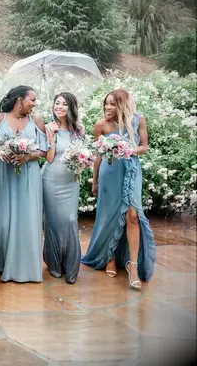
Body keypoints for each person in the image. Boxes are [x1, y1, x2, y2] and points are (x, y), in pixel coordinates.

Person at [81, 89, 156, 289]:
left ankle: (133, 265)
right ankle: (109, 257)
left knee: (133, 216)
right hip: (109, 173)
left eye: (113, 104)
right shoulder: (101, 125)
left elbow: (144, 146)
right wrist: (94, 181)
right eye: (106, 103)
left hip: (131, 170)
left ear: (122, 104)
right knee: (109, 216)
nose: (108, 107)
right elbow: (98, 156)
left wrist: (128, 150)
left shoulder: (138, 119)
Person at [0, 85, 48, 283]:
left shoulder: (37, 121)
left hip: (28, 176)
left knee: (27, 218)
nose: (34, 103)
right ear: (19, 100)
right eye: (32, 99)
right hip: (4, 174)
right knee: (2, 218)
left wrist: (28, 156)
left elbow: (44, 151)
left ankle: (25, 268)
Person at [42, 92, 84, 284]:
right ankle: (54, 263)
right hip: (51, 180)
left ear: (71, 107)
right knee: (53, 222)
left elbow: (83, 154)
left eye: (64, 104)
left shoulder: (79, 129)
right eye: (56, 103)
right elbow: (49, 158)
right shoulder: (48, 127)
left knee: (69, 219)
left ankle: (71, 266)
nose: (59, 106)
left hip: (71, 181)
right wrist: (51, 136)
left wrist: (83, 161)